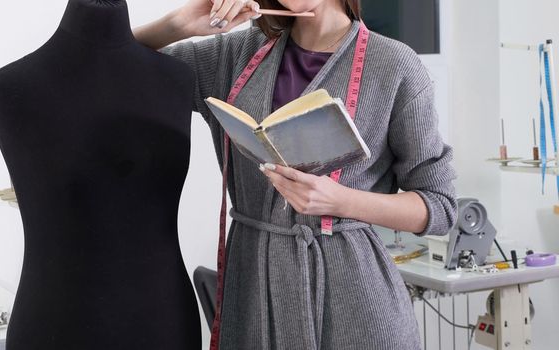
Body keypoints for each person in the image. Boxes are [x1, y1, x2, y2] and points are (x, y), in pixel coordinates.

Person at [134, 0, 456, 349]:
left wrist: (341, 201)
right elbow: (109, 61)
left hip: (358, 309)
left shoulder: (395, 66)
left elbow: (439, 208)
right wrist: (180, 23)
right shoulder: (235, 55)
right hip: (254, 293)